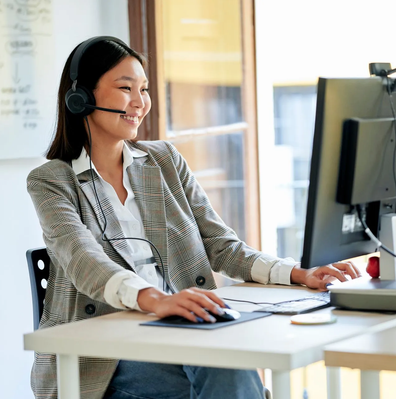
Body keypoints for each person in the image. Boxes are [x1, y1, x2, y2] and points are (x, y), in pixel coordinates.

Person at [27, 36, 361, 399]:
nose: (140, 103)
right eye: (125, 89)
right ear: (82, 97)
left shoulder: (164, 161)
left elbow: (221, 246)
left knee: (230, 365)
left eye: (144, 89)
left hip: (186, 328)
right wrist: (156, 300)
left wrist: (296, 274)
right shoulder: (51, 181)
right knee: (225, 376)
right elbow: (82, 260)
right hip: (106, 356)